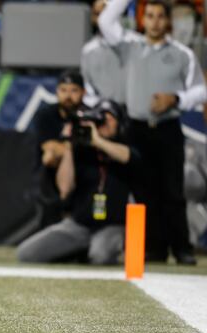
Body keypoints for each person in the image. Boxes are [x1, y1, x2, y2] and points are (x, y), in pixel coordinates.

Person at [99, 0, 207, 265]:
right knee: (143, 192)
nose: (155, 22)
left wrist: (176, 99)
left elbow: (201, 90)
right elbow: (105, 21)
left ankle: (182, 249)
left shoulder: (182, 53)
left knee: (173, 190)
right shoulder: (129, 46)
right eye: (150, 16)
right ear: (142, 20)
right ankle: (154, 249)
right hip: (136, 129)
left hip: (168, 128)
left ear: (167, 21)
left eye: (160, 16)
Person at [18, 100, 138, 265]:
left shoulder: (127, 146)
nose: (104, 123)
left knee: (100, 256)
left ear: (120, 123)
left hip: (114, 225)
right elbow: (65, 189)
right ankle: (78, 252)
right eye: (101, 119)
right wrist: (68, 145)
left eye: (110, 119)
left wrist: (97, 141)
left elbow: (128, 157)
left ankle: (88, 252)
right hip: (79, 225)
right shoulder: (83, 151)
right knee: (27, 254)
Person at [31, 70, 86, 227]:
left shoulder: (89, 115)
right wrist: (72, 147)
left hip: (83, 175)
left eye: (74, 90)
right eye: (63, 90)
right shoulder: (46, 114)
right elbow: (49, 148)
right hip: (50, 180)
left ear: (83, 92)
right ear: (56, 91)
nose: (68, 96)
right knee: (48, 158)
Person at [81, 0, 129, 108]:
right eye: (97, 14)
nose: (101, 18)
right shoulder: (88, 50)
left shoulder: (132, 43)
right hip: (102, 110)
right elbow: (88, 86)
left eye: (105, 13)